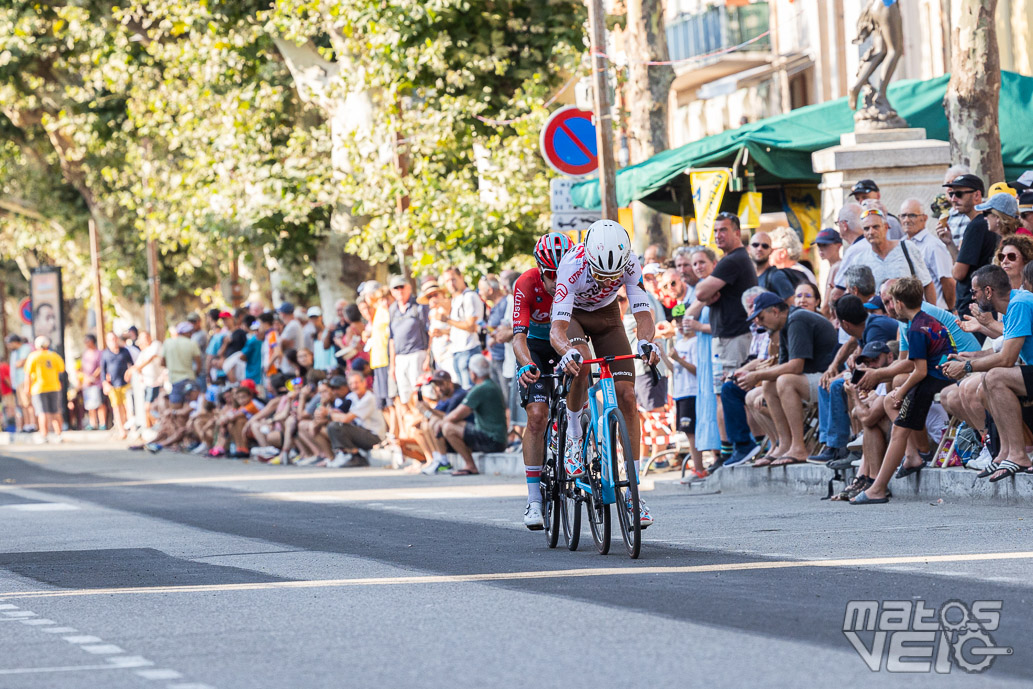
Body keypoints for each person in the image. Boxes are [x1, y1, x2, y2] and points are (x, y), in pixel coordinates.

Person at [551, 219, 659, 527]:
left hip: (609, 316)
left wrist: (645, 341)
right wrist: (566, 350)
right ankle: (573, 435)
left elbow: (643, 313)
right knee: (582, 364)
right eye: (599, 273)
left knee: (627, 397)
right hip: (574, 317)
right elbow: (557, 329)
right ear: (588, 257)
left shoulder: (631, 263)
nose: (603, 280)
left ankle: (634, 492)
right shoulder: (571, 265)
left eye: (612, 276)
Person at [852, 278, 957, 504]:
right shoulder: (927, 320)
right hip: (942, 376)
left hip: (932, 381)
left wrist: (901, 392)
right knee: (895, 411)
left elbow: (919, 371)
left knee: (899, 430)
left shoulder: (917, 329)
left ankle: (878, 488)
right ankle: (911, 457)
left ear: (899, 303)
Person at [942, 265, 1033, 480]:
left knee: (995, 377)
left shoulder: (1018, 304)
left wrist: (965, 367)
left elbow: (1007, 358)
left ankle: (1019, 455)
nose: (972, 298)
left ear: (989, 291)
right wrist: (970, 358)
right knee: (986, 382)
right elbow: (1003, 349)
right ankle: (1004, 453)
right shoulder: (1015, 302)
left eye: (974, 292)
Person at [512, 232, 571, 529]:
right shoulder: (526, 283)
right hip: (536, 346)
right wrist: (526, 365)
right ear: (539, 268)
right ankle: (534, 499)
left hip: (568, 340)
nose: (557, 280)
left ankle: (577, 444)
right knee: (537, 415)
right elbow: (518, 336)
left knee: (580, 399)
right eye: (551, 274)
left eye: (563, 273)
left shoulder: (577, 280)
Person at [739, 292, 838, 466]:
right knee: (770, 383)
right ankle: (783, 444)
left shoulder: (797, 319)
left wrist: (757, 375)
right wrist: (761, 381)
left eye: (761, 318)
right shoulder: (785, 325)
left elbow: (795, 367)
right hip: (814, 378)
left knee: (785, 381)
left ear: (775, 311)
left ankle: (799, 447)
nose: (759, 323)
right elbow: (782, 366)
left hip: (829, 378)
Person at [689, 212, 758, 398]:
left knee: (728, 396)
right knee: (719, 395)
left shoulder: (731, 261)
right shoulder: (691, 287)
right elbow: (685, 314)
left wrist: (698, 325)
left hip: (730, 340)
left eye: (702, 262)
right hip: (715, 345)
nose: (697, 267)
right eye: (693, 264)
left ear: (713, 264)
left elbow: (700, 295)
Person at [440, 355, 507, 475]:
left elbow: (455, 416)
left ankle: (470, 465)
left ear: (474, 374)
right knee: (451, 424)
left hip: (493, 440)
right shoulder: (490, 385)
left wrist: (442, 422)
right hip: (497, 438)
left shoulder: (481, 388)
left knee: (448, 427)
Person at [853, 208, 935, 301]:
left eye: (876, 227)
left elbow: (927, 284)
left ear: (886, 227)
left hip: (910, 312)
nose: (871, 232)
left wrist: (931, 314)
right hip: (880, 314)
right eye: (866, 228)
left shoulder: (907, 248)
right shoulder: (860, 260)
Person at [945, 174, 993, 318]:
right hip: (981, 302)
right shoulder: (986, 221)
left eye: (959, 194)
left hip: (973, 305)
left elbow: (958, 273)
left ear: (977, 195)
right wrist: (949, 243)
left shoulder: (976, 226)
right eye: (951, 194)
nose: (953, 199)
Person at [899, 198, 955, 310]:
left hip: (937, 313)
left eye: (912, 215)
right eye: (903, 216)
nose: (907, 220)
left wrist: (950, 311)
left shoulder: (933, 246)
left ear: (924, 218)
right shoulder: (902, 244)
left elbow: (948, 281)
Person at [668, 313, 705, 478]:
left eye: (683, 321)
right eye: (677, 322)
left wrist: (678, 359)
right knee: (689, 432)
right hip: (681, 393)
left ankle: (699, 468)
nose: (681, 325)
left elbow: (698, 370)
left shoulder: (696, 342)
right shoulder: (680, 342)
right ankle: (698, 467)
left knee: (692, 432)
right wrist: (663, 355)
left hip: (692, 391)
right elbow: (676, 370)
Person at [327, 370, 387, 467]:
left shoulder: (369, 398)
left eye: (356, 383)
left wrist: (329, 414)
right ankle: (344, 454)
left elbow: (346, 418)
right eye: (351, 384)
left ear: (364, 383)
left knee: (336, 426)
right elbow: (338, 412)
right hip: (361, 431)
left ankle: (355, 456)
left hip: (374, 436)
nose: (354, 386)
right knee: (332, 425)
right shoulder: (352, 397)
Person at [388, 275, 431, 412]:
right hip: (400, 358)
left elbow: (429, 332)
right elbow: (392, 338)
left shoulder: (418, 306)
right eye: (396, 288)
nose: (400, 290)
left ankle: (428, 423)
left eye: (402, 287)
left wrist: (428, 356)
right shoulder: (392, 310)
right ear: (392, 291)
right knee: (405, 396)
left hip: (417, 354)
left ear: (409, 288)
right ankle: (415, 425)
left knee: (421, 392)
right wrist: (392, 365)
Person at [419, 370, 469, 474]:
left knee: (435, 422)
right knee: (426, 423)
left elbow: (448, 417)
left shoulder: (458, 395)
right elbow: (434, 415)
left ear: (449, 382)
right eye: (436, 385)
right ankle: (437, 458)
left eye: (441, 384)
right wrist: (425, 411)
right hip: (447, 434)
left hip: (460, 434)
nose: (438, 387)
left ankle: (444, 462)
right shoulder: (443, 397)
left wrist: (429, 410)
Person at [442, 267, 485, 389]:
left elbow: (471, 326)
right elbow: (458, 327)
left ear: (461, 277)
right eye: (447, 281)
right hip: (457, 351)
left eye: (453, 279)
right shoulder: (456, 298)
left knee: (470, 392)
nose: (451, 284)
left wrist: (447, 320)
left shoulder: (469, 296)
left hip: (469, 349)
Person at [24, 335, 64, 443]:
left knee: (42, 412)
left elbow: (27, 374)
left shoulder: (33, 356)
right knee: (56, 412)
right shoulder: (54, 356)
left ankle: (44, 435)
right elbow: (61, 370)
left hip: (38, 388)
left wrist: (26, 388)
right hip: (54, 386)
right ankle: (58, 434)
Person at [100, 331, 135, 439]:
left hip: (125, 384)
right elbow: (102, 371)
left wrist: (129, 373)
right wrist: (105, 384)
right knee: (117, 409)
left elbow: (132, 365)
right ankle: (122, 431)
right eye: (111, 339)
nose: (113, 341)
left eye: (115, 338)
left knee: (129, 408)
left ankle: (132, 429)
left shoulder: (124, 351)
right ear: (107, 341)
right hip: (113, 386)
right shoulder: (105, 354)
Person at [162, 321, 202, 409]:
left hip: (175, 381)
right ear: (186, 332)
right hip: (190, 379)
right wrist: (196, 373)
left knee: (176, 411)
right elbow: (199, 364)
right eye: (191, 332)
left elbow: (162, 363)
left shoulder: (167, 343)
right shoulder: (192, 344)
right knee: (192, 409)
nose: (192, 335)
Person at [129, 330, 163, 427]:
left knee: (149, 407)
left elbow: (150, 359)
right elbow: (136, 365)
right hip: (146, 384)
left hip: (156, 382)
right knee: (147, 408)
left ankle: (158, 425)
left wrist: (138, 368)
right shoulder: (143, 351)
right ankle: (151, 428)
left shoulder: (156, 345)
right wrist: (131, 371)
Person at [750, 230, 795, 301]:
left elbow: (791, 302)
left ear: (771, 250)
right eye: (755, 245)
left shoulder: (776, 276)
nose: (759, 248)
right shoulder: (748, 276)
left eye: (765, 246)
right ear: (749, 248)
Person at [813, 229, 843, 319]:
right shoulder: (834, 267)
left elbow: (826, 307)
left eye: (825, 245)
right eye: (819, 245)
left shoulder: (836, 267)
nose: (821, 248)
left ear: (838, 246)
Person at [80, 334, 106, 431]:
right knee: (90, 405)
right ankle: (92, 422)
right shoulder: (85, 354)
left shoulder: (99, 353)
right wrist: (86, 378)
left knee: (99, 404)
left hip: (97, 382)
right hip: (87, 383)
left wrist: (93, 377)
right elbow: (83, 368)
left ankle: (102, 423)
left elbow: (101, 367)